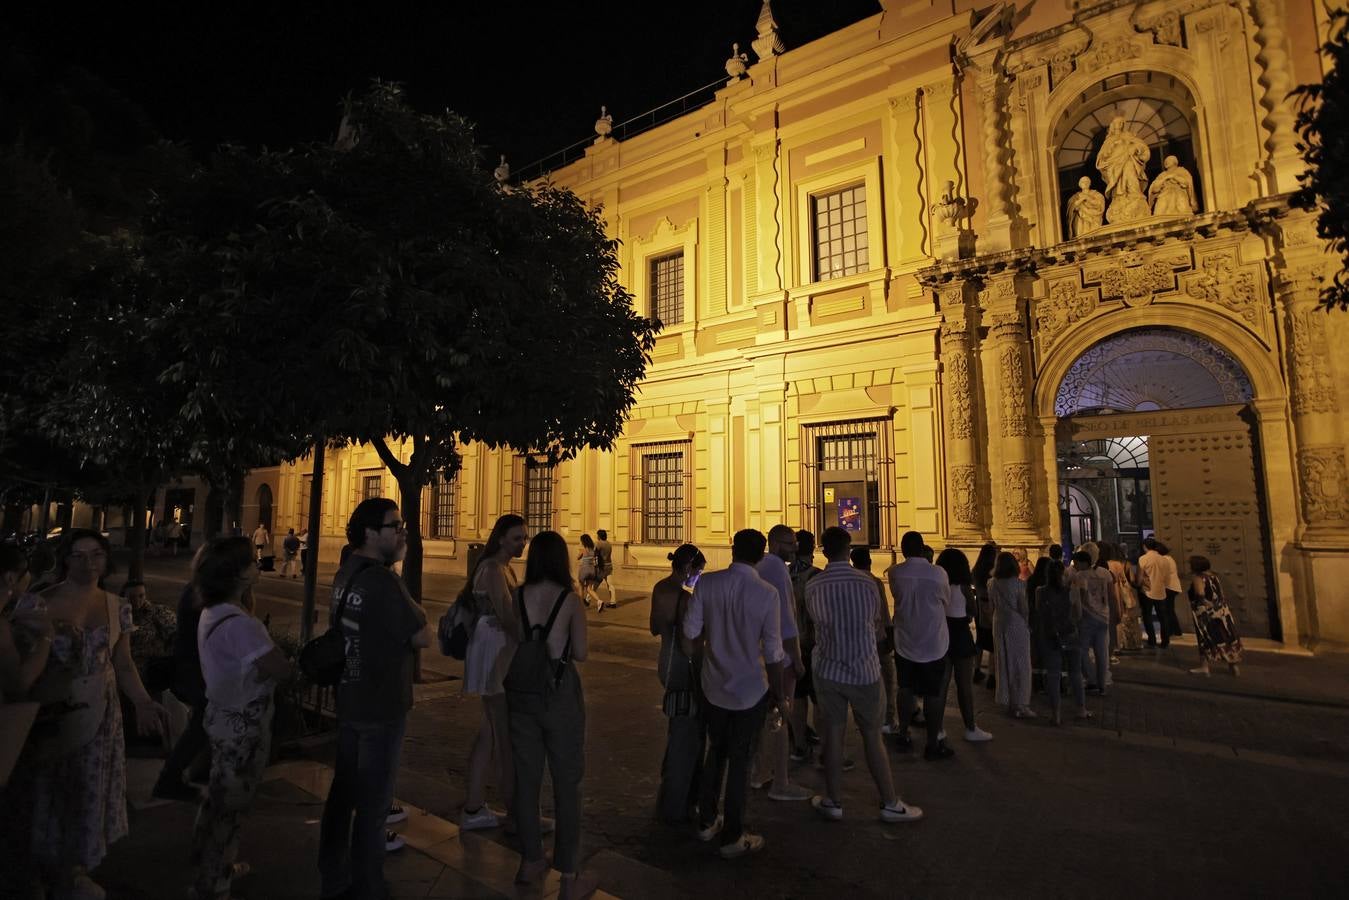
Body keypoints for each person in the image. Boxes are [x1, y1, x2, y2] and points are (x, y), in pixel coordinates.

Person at [23, 529, 167, 899]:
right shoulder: (38, 603)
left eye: (96, 555)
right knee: (49, 790)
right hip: (52, 713)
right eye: (79, 555)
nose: (88, 563)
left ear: (107, 559)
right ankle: (41, 871)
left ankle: (76, 870)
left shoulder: (117, 606)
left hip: (101, 715)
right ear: (65, 559)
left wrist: (143, 702)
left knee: (89, 789)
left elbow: (123, 663)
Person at [318, 500, 433, 900]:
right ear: (370, 532)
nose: (402, 531)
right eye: (393, 525)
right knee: (373, 804)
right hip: (381, 704)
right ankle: (368, 886)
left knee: (343, 794)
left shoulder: (347, 572)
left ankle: (333, 876)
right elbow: (421, 634)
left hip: (350, 698)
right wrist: (415, 608)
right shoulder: (383, 581)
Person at [191, 537, 291, 900]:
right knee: (230, 806)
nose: (259, 564)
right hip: (243, 727)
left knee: (218, 798)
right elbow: (280, 668)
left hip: (220, 716)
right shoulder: (241, 625)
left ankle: (210, 861)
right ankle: (214, 880)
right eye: (251, 561)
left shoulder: (212, 612)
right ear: (237, 575)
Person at [682, 529, 785, 859]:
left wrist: (703, 663)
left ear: (733, 550)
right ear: (761, 555)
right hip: (751, 689)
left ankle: (707, 820)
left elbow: (690, 633)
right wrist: (779, 694)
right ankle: (733, 835)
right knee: (741, 761)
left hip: (713, 685)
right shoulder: (767, 593)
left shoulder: (707, 584)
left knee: (716, 752)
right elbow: (773, 651)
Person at [808, 527, 922, 824]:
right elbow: (878, 624)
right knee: (872, 737)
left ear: (823, 549)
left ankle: (833, 801)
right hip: (865, 670)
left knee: (832, 736)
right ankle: (889, 802)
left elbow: (813, 625)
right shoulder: (869, 582)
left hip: (828, 669)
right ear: (848, 549)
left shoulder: (814, 585)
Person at [506, 531, 596, 899]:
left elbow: (516, 643)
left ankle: (530, 860)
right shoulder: (571, 601)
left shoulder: (518, 596)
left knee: (526, 779)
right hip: (559, 694)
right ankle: (569, 875)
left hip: (522, 694)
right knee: (567, 782)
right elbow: (582, 652)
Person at [460, 515, 527, 831]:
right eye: (516, 538)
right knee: (500, 733)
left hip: (491, 646)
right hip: (493, 649)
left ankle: (474, 807)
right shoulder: (493, 569)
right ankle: (513, 811)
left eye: (524, 537)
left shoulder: (499, 567)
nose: (522, 542)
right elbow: (506, 614)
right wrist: (529, 645)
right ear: (501, 538)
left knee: (489, 731)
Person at [649, 544, 707, 825]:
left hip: (664, 662)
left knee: (676, 725)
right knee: (687, 733)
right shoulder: (685, 599)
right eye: (698, 572)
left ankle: (670, 789)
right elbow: (689, 644)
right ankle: (677, 800)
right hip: (683, 669)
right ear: (688, 569)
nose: (697, 577)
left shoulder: (659, 588)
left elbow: (654, 627)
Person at [751, 524, 809, 802]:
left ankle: (759, 773)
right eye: (790, 543)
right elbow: (787, 619)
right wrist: (796, 658)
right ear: (774, 544)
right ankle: (781, 782)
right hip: (780, 658)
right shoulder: (776, 568)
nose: (795, 547)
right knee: (780, 716)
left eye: (795, 542)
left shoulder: (760, 566)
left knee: (765, 718)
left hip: (759, 655)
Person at [888, 530, 953, 758]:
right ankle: (932, 742)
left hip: (905, 640)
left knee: (905, 688)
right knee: (933, 693)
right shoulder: (938, 574)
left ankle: (904, 733)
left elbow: (896, 595)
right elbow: (946, 601)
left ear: (904, 550)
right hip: (933, 641)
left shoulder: (896, 573)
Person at [154, 548, 212, 802]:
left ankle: (191, 771)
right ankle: (172, 776)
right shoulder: (200, 593)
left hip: (195, 667)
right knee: (202, 723)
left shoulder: (196, 589)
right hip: (198, 669)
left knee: (203, 723)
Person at [934, 548, 992, 742]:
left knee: (941, 685)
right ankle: (970, 727)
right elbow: (973, 610)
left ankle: (938, 728)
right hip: (960, 632)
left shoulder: (938, 585)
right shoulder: (964, 587)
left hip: (942, 633)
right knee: (964, 685)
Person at [850, 545, 898, 734]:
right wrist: (889, 636)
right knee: (886, 680)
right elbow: (883, 612)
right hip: (876, 638)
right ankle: (888, 719)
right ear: (869, 561)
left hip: (856, 641)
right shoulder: (873, 581)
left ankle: (862, 717)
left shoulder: (849, 580)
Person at [1034, 561, 1088, 725]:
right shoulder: (1072, 591)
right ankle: (1081, 709)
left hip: (1051, 636)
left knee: (1053, 674)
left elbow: (1039, 612)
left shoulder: (1040, 591)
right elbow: (1078, 615)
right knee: (1075, 673)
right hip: (1070, 633)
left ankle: (1055, 713)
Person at [787, 530, 821, 762]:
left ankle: (799, 745)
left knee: (797, 697)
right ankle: (826, 749)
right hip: (816, 646)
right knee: (820, 699)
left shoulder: (784, 575)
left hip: (791, 645)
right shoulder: (818, 576)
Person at [989, 551, 1035, 718]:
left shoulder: (991, 583)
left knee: (1003, 662)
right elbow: (1024, 608)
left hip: (998, 623)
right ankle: (1021, 703)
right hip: (1016, 624)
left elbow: (991, 607)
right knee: (1021, 664)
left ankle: (1006, 699)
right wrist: (1028, 624)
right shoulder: (1018, 584)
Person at [1186, 556, 1243, 677]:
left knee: (1205, 638)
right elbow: (1220, 593)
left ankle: (1204, 667)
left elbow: (1200, 593)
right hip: (1221, 611)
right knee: (1226, 637)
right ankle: (1233, 666)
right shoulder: (1214, 576)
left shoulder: (1198, 577)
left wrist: (1205, 602)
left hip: (1205, 613)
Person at [1070, 551, 1113, 696]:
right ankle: (1102, 686)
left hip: (1088, 617)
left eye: (1076, 562)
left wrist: (1077, 616)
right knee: (1101, 653)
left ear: (1083, 562)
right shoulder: (1106, 573)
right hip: (1104, 617)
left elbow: (1080, 598)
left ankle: (1091, 679)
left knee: (1081, 651)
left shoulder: (1080, 576)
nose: (1075, 565)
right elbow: (1111, 594)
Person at [121, 579, 177, 687]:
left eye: (141, 596)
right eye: (131, 597)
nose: (136, 601)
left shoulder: (156, 612)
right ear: (123, 596)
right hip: (125, 668)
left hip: (151, 667)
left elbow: (175, 633)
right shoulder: (118, 614)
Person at [1096, 115, 1151, 223]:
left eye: (1121, 122)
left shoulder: (1128, 135)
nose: (1119, 124)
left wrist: (1135, 148)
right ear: (1112, 125)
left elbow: (1142, 146)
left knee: (1130, 174)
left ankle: (1135, 195)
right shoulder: (1108, 141)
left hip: (1128, 161)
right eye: (1117, 122)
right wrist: (1111, 149)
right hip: (1114, 166)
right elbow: (1102, 158)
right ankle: (1120, 197)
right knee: (1118, 185)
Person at [970, 542, 998, 689]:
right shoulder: (993, 570)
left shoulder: (976, 570)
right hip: (991, 608)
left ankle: (976, 669)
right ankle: (992, 676)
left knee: (980, 641)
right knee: (993, 644)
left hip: (979, 608)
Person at [1110, 545, 1144, 652]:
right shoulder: (1125, 564)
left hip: (1115, 593)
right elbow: (1132, 579)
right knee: (1130, 619)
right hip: (1126, 593)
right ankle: (1132, 643)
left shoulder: (1109, 564)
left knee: (1119, 619)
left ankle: (1119, 643)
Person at [1138, 538, 1170, 648]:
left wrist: (1139, 585)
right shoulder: (1164, 559)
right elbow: (1167, 577)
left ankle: (1152, 639)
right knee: (1163, 617)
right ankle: (1165, 640)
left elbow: (1139, 578)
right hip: (1161, 591)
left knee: (1147, 616)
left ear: (1144, 546)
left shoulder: (1143, 559)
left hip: (1147, 591)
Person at [1158, 541, 1184, 639]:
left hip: (1167, 587)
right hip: (1173, 587)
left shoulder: (1164, 559)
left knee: (1165, 610)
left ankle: (1169, 630)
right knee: (1170, 609)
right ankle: (1176, 630)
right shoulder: (1169, 558)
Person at [576, 534, 599, 609]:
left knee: (581, 586)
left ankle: (580, 605)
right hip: (592, 570)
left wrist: (580, 550)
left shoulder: (583, 549)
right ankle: (599, 601)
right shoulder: (593, 549)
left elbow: (578, 558)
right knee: (589, 589)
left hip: (584, 570)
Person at [593, 530, 615, 609]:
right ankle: (613, 602)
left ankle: (587, 599)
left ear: (599, 536)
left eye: (597, 535)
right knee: (610, 585)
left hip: (602, 567)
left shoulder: (598, 543)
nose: (597, 536)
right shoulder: (609, 544)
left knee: (595, 584)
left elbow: (594, 553)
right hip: (609, 565)